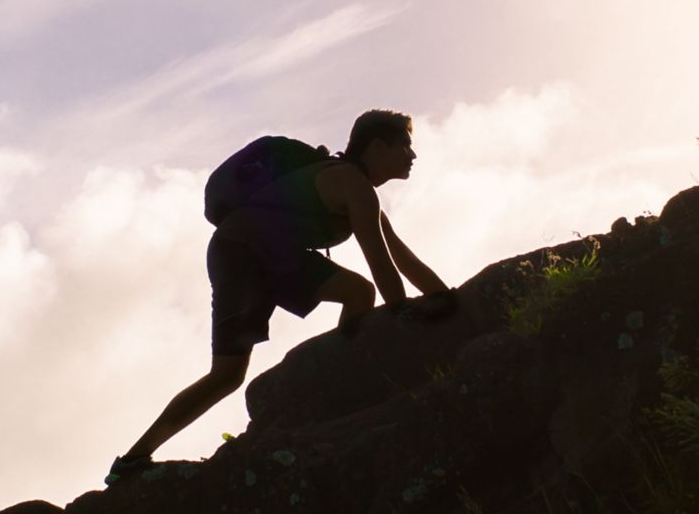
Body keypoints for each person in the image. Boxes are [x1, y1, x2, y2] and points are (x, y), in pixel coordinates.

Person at [106, 109, 451, 485]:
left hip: (250, 252)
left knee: (232, 372)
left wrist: (446, 298)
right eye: (404, 145)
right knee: (230, 373)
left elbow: (402, 258)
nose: (412, 155)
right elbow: (380, 261)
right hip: (245, 252)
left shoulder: (358, 189)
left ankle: (130, 462)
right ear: (378, 147)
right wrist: (401, 312)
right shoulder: (353, 185)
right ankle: (134, 460)